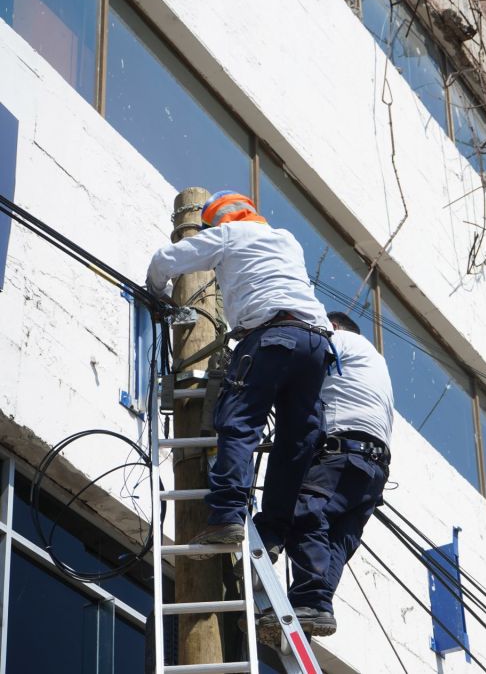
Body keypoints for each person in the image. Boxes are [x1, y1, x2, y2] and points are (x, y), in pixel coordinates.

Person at [147, 190, 333, 556]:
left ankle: (227, 516)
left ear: (217, 221)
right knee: (294, 445)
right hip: (317, 345)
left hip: (269, 338)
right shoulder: (286, 240)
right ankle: (273, 535)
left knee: (239, 423)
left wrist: (158, 292)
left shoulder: (228, 234)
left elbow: (166, 259)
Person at [255, 311, 393, 641]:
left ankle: (311, 598)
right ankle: (315, 606)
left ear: (331, 327)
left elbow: (297, 362)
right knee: (335, 540)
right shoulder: (374, 364)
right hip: (371, 471)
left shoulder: (341, 341)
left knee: (305, 510)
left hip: (345, 455)